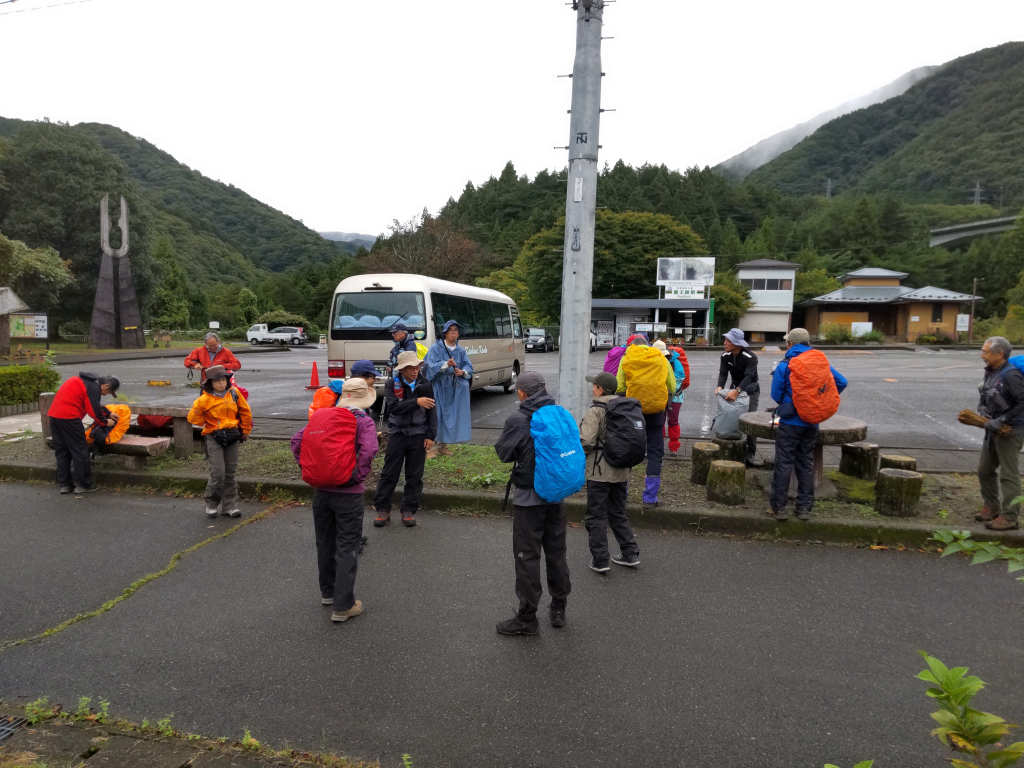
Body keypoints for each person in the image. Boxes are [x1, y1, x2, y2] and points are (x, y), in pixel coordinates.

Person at [291, 377, 379, 623]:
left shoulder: (322, 416)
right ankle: (343, 606)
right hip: (348, 495)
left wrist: (309, 468)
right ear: (364, 399)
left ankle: (328, 594)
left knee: (325, 543)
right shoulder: (364, 421)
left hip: (321, 491)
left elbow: (296, 442)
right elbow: (369, 450)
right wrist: (355, 476)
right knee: (347, 547)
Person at [493, 371, 571, 636]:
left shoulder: (518, 418)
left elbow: (503, 453)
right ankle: (559, 608)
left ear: (522, 393)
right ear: (545, 388)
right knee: (557, 553)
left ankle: (527, 619)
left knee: (527, 557)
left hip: (529, 500)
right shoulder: (559, 413)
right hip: (556, 495)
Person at [767, 329, 847, 521]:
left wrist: (791, 401)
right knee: (805, 463)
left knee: (784, 463)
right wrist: (818, 399)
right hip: (812, 421)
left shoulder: (785, 365)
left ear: (791, 344)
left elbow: (776, 395)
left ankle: (779, 508)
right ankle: (804, 508)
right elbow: (841, 382)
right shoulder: (819, 363)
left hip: (790, 422)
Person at [579, 372, 640, 572]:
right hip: (622, 469)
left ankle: (600, 560)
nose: (592, 388)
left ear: (600, 389)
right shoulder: (625, 408)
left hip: (599, 471)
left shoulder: (596, 410)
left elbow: (587, 441)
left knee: (596, 515)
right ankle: (630, 553)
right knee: (617, 512)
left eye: (594, 385)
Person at [373, 351, 437, 528]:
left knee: (415, 474)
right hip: (397, 433)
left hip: (418, 433)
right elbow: (393, 407)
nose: (415, 371)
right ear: (401, 370)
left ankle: (408, 509)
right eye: (410, 368)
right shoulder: (391, 384)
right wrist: (416, 402)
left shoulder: (425, 384)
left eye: (417, 367)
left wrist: (430, 435)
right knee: (389, 473)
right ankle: (383, 509)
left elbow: (432, 411)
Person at [187, 365, 253, 519]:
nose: (221, 383)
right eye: (217, 381)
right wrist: (209, 423)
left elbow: (245, 411)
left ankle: (229, 506)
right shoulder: (203, 399)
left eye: (223, 380)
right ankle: (211, 503)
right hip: (213, 437)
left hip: (232, 435)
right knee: (218, 473)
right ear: (210, 383)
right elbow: (193, 418)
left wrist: (245, 430)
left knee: (230, 473)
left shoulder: (234, 393)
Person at [616, 336, 675, 504]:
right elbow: (672, 386)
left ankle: (622, 493)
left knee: (627, 449)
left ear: (632, 347)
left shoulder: (626, 359)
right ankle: (650, 497)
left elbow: (619, 386)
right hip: (656, 411)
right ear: (648, 346)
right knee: (655, 451)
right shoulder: (660, 358)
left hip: (632, 411)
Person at [975, 336, 1024, 531]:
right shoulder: (992, 372)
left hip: (1010, 431)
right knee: (985, 469)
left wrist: (1002, 421)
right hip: (992, 428)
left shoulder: (1011, 375)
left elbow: (1023, 402)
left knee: (1008, 475)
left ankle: (1010, 517)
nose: (982, 355)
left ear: (999, 354)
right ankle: (992, 505)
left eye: (986, 352)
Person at [48, 372, 120, 494]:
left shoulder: (81, 381)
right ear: (105, 385)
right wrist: (104, 422)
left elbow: (90, 403)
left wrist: (108, 413)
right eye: (108, 392)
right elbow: (93, 410)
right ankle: (83, 484)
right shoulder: (94, 387)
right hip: (70, 418)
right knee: (80, 450)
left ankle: (65, 484)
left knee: (62, 450)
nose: (105, 394)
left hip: (54, 416)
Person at [424, 320, 473, 456]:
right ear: (445, 333)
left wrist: (462, 372)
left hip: (454, 387)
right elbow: (429, 365)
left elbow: (469, 367)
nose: (453, 332)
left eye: (456, 330)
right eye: (450, 329)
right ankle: (430, 448)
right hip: (439, 386)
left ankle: (442, 445)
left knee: (451, 416)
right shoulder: (436, 348)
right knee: (436, 415)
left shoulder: (460, 350)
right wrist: (445, 364)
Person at [717, 328, 762, 467]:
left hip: (750, 390)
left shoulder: (751, 357)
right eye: (725, 340)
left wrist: (737, 392)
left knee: (750, 421)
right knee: (732, 416)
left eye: (728, 341)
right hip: (735, 386)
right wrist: (720, 387)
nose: (725, 343)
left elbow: (749, 376)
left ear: (737, 343)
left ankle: (750, 454)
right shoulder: (725, 356)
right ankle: (732, 446)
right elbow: (723, 373)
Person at [653, 340, 686, 455]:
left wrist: (663, 386)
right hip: (660, 396)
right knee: (659, 421)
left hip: (674, 397)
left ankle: (674, 447)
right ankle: (659, 444)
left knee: (673, 422)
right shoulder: (652, 361)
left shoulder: (675, 362)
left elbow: (680, 377)